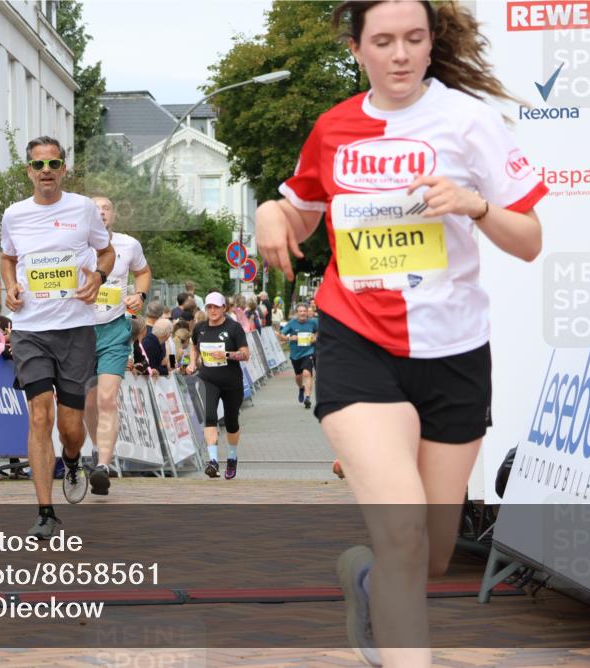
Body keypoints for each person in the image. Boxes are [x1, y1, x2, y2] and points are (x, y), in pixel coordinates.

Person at [254, 2, 546, 665]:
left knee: (432, 555)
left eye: (414, 39)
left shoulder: (471, 122)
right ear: (356, 49)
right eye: (382, 41)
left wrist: (475, 205)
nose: (400, 54)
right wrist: (272, 212)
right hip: (357, 340)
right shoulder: (334, 129)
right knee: (405, 535)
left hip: (455, 351)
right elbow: (299, 213)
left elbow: (529, 241)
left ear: (431, 41)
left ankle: (364, 577)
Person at [0, 136, 114, 538]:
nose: (46, 171)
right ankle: (45, 511)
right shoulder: (14, 214)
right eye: (38, 165)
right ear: (28, 171)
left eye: (53, 164)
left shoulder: (83, 209)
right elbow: (8, 257)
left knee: (69, 426)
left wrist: (98, 277)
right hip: (31, 327)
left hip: (75, 328)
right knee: (39, 414)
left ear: (64, 168)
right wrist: (10, 286)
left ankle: (72, 459)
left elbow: (107, 252)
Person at [187, 291, 249, 480]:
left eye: (216, 307)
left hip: (231, 382)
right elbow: (194, 346)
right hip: (208, 380)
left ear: (223, 308)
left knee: (231, 422)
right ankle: (213, 461)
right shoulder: (200, 328)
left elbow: (246, 354)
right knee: (210, 416)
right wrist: (192, 363)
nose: (212, 310)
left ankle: (231, 457)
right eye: (209, 307)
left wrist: (228, 355)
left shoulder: (234, 328)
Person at [280, 303, 319, 409]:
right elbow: (281, 335)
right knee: (298, 376)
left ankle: (307, 398)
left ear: (307, 312)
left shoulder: (313, 322)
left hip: (308, 351)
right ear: (297, 313)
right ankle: (301, 388)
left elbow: (319, 332)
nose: (302, 313)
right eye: (300, 311)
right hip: (295, 354)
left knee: (307, 373)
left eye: (304, 311)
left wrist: (315, 338)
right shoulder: (292, 323)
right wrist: (290, 338)